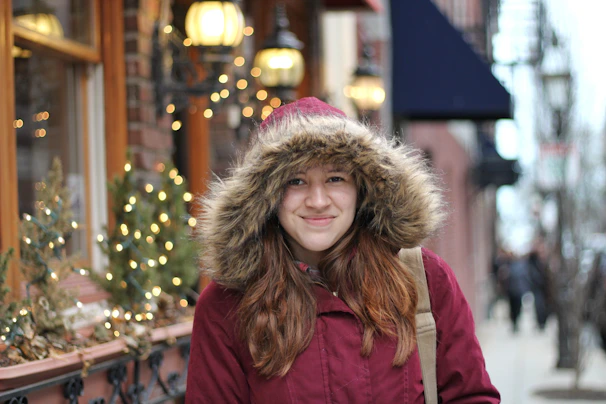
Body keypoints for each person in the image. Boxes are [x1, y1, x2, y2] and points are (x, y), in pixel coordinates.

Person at [186, 97, 500, 403]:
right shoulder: (225, 306)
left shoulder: (424, 279)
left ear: (361, 189)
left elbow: (471, 395)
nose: (318, 200)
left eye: (335, 178)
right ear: (266, 197)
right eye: (296, 181)